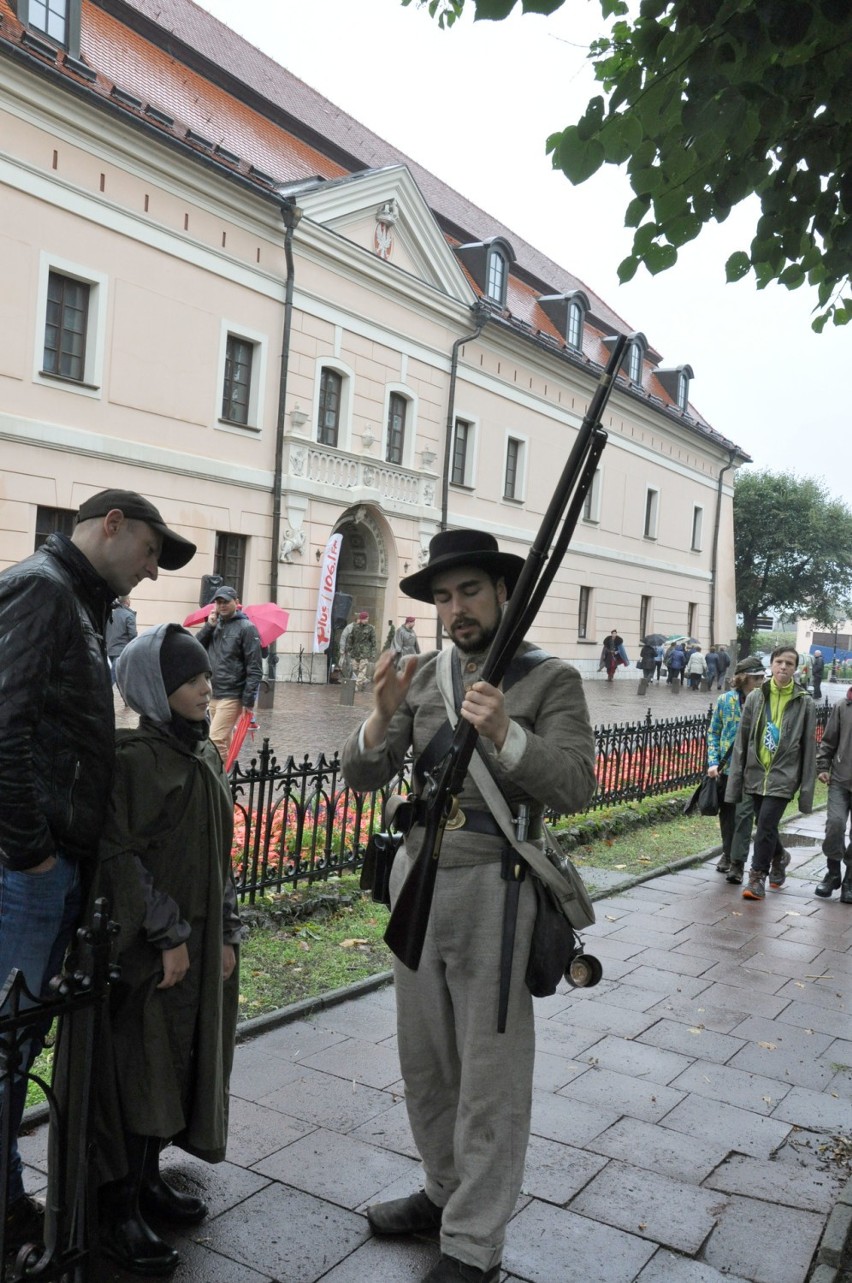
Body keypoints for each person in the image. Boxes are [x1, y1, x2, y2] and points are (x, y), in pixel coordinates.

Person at [342, 529, 595, 1283]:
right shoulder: (425, 677)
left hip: (498, 888)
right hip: (418, 881)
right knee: (425, 1064)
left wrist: (505, 732)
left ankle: (473, 1242)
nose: (456, 608)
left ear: (502, 592)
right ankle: (441, 1189)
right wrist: (382, 713)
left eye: (469, 592)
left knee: (490, 1075)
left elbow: (576, 785)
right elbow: (362, 774)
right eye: (444, 596)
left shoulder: (552, 680)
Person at [0, 489, 195, 1252]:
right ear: (111, 524)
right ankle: (6, 1206)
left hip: (49, 864)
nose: (152, 570)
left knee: (17, 1042)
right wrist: (35, 852)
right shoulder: (42, 589)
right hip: (31, 869)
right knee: (9, 1044)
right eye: (150, 550)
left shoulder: (74, 600)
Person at [91, 625, 241, 1275]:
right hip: (154, 949)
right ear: (155, 688)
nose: (207, 687)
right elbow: (117, 853)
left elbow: (221, 855)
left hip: (202, 945)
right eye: (190, 679)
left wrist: (228, 929)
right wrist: (169, 934)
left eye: (207, 675)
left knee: (176, 1067)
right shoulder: (132, 761)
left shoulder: (202, 754)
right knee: (140, 1071)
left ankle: (149, 1180)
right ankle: (117, 1210)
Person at [727, 644, 817, 901]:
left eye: (789, 663)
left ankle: (756, 878)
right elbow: (742, 741)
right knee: (764, 824)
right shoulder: (756, 697)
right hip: (755, 774)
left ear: (795, 668)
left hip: (784, 776)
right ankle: (780, 855)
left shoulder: (804, 702)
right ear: (772, 664)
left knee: (766, 823)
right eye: (779, 662)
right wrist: (738, 776)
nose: (783, 667)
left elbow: (809, 747)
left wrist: (806, 786)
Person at [706, 657, 765, 883]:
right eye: (755, 678)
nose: (760, 681)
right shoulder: (726, 701)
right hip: (727, 769)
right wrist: (713, 762)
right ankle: (727, 853)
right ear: (742, 679)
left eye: (762, 677)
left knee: (744, 816)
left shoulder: (764, 702)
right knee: (728, 815)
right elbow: (714, 732)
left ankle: (737, 863)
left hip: (753, 770)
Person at [197, 587, 263, 761]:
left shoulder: (247, 628)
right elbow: (196, 647)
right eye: (218, 602)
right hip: (213, 691)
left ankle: (218, 779)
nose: (222, 605)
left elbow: (254, 667)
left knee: (215, 740)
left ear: (236, 602)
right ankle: (227, 780)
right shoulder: (214, 625)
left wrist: (248, 700)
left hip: (232, 695)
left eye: (226, 601)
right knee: (224, 739)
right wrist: (208, 627)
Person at [815, 685, 852, 901]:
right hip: (840, 779)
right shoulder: (842, 706)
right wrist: (822, 767)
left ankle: (849, 881)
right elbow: (829, 740)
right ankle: (833, 873)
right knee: (835, 825)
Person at [105, 595, 138, 683]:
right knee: (113, 678)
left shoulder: (111, 614)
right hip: (121, 650)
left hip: (110, 649)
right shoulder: (129, 615)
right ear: (127, 601)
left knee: (116, 676)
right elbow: (133, 635)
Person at [343, 610, 378, 692]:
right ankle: (364, 680)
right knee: (354, 669)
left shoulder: (370, 629)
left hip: (365, 653)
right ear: (361, 619)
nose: (367, 620)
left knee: (362, 669)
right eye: (365, 619)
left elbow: (373, 642)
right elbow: (350, 639)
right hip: (355, 652)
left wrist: (373, 653)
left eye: (367, 618)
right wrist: (349, 649)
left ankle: (356, 685)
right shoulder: (355, 627)